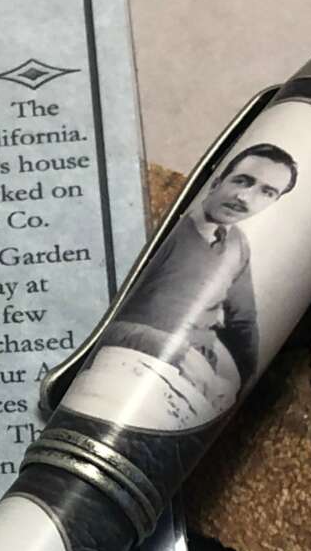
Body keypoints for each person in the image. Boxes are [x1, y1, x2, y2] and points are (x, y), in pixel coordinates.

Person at [81, 142, 298, 428]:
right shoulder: (164, 231)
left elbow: (242, 323)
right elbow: (93, 319)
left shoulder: (237, 245)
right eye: (242, 181)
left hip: (200, 373)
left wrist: (244, 390)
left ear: (273, 202)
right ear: (218, 181)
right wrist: (173, 352)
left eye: (266, 192)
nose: (245, 197)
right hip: (135, 363)